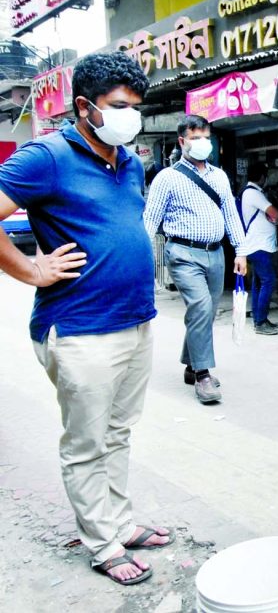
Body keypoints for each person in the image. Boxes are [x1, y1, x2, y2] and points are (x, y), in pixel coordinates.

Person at [0, 52, 174, 586]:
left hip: (135, 322)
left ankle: (120, 523)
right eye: (119, 106)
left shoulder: (130, 161)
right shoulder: (46, 157)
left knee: (119, 433)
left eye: (136, 107)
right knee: (86, 444)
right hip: (79, 329)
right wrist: (31, 269)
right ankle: (103, 544)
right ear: (84, 107)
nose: (130, 117)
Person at [144, 115, 247, 404]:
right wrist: (139, 258)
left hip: (216, 253)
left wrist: (241, 251)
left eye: (206, 136)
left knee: (207, 312)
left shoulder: (219, 176)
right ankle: (203, 375)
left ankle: (190, 363)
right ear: (182, 141)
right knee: (200, 306)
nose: (202, 142)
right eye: (195, 137)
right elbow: (150, 220)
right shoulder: (168, 178)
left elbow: (231, 214)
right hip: (183, 253)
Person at [239, 161, 278, 335]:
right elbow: (275, 213)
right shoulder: (253, 194)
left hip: (257, 245)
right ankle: (261, 322)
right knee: (268, 281)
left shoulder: (250, 193)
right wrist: (275, 216)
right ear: (262, 177)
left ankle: (258, 317)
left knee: (258, 283)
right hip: (259, 246)